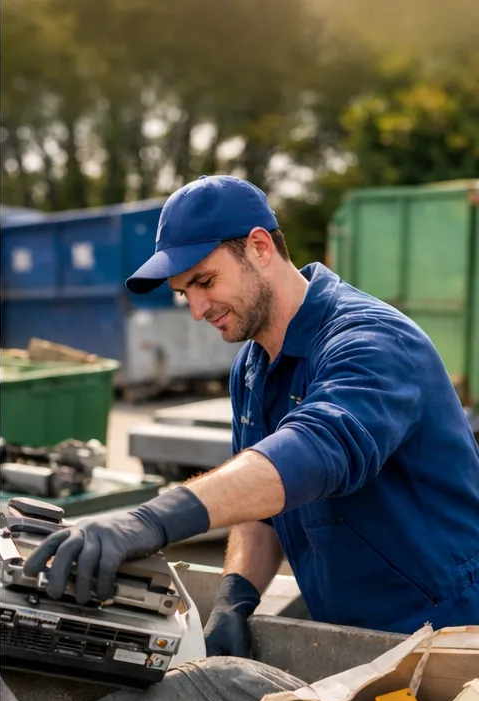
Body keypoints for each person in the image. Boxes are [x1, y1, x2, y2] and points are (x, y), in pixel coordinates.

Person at [26, 174, 479, 649]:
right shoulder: (251, 365)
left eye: (204, 281)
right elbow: (261, 500)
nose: (197, 310)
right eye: (185, 293)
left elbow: (312, 452)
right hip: (350, 636)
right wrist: (234, 598)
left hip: (447, 636)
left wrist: (151, 521)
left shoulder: (371, 342)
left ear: (260, 247)